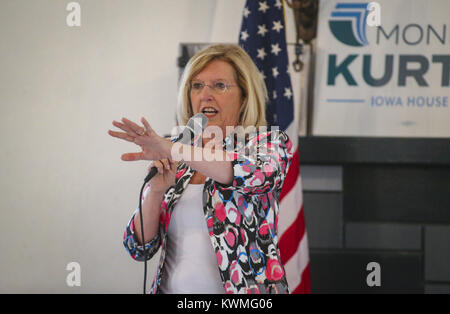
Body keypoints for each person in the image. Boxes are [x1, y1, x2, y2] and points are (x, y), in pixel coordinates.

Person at [108, 44, 293, 294]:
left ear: (244, 96)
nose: (205, 94)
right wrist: (155, 192)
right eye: (197, 85)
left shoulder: (267, 144)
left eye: (219, 85)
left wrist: (172, 148)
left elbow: (248, 173)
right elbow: (138, 247)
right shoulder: (177, 152)